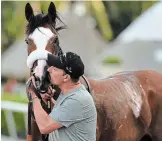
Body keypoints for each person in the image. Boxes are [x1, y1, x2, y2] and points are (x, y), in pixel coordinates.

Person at [28, 52, 97, 141]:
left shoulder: (77, 100)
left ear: (66, 77)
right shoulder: (70, 91)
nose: (49, 69)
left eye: (55, 69)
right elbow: (64, 115)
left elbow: (44, 127)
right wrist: (50, 100)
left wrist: (34, 94)